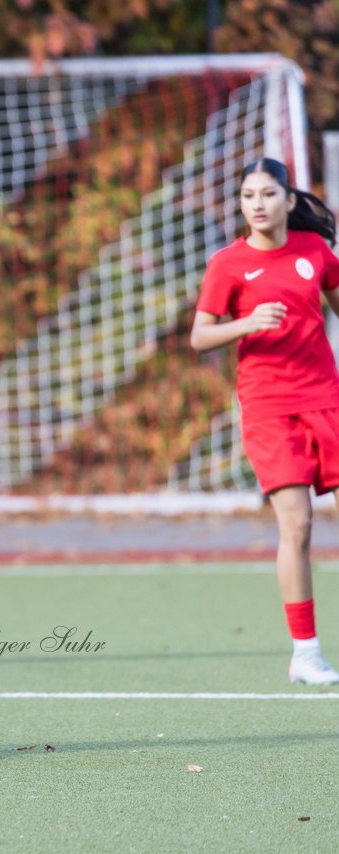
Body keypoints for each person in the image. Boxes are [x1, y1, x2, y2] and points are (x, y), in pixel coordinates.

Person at [190, 156, 339, 685]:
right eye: (249, 195)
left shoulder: (315, 252)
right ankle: (305, 653)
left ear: (289, 201)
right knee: (297, 524)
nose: (258, 203)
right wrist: (247, 323)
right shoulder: (228, 264)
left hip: (327, 399)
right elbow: (200, 335)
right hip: (268, 406)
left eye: (268, 194)